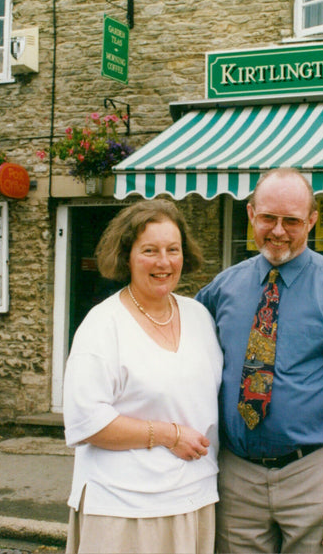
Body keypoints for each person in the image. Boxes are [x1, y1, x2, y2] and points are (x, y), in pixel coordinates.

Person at [196, 168, 323, 553]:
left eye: (292, 221)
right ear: (250, 214)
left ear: (312, 221)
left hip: (311, 475)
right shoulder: (221, 290)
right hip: (237, 476)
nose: (278, 231)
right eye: (268, 218)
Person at [63, 199, 223, 554]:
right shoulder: (103, 325)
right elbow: (85, 422)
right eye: (150, 250)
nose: (163, 262)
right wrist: (169, 434)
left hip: (192, 498)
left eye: (173, 249)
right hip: (123, 508)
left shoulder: (199, 317)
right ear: (127, 256)